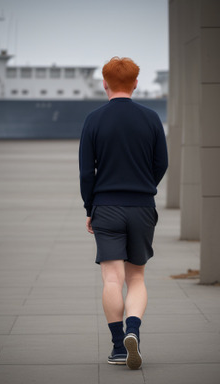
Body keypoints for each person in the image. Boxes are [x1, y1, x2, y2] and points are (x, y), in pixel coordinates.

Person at [79, 57, 168, 370]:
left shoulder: (93, 119)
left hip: (106, 207)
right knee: (136, 277)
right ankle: (133, 330)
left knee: (112, 278)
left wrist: (91, 208)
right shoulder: (151, 118)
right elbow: (162, 163)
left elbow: (86, 173)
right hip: (142, 206)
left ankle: (119, 347)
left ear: (105, 83)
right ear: (136, 84)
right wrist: (145, 187)